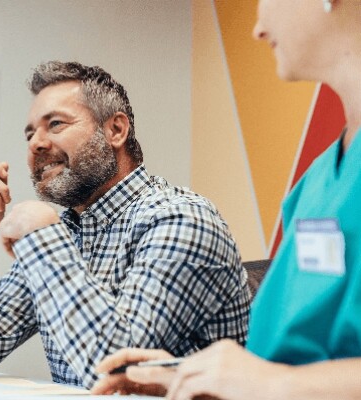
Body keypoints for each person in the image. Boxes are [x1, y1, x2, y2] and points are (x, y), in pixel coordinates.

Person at [93, 0, 361, 398]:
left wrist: (276, 385)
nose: (256, 29)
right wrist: (195, 376)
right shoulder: (315, 183)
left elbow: (285, 379)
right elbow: (301, 352)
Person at [0, 61, 251, 388]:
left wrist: (43, 236)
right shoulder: (65, 230)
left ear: (116, 130)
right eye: (30, 134)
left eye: (55, 124)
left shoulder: (182, 219)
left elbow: (114, 379)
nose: (35, 144)